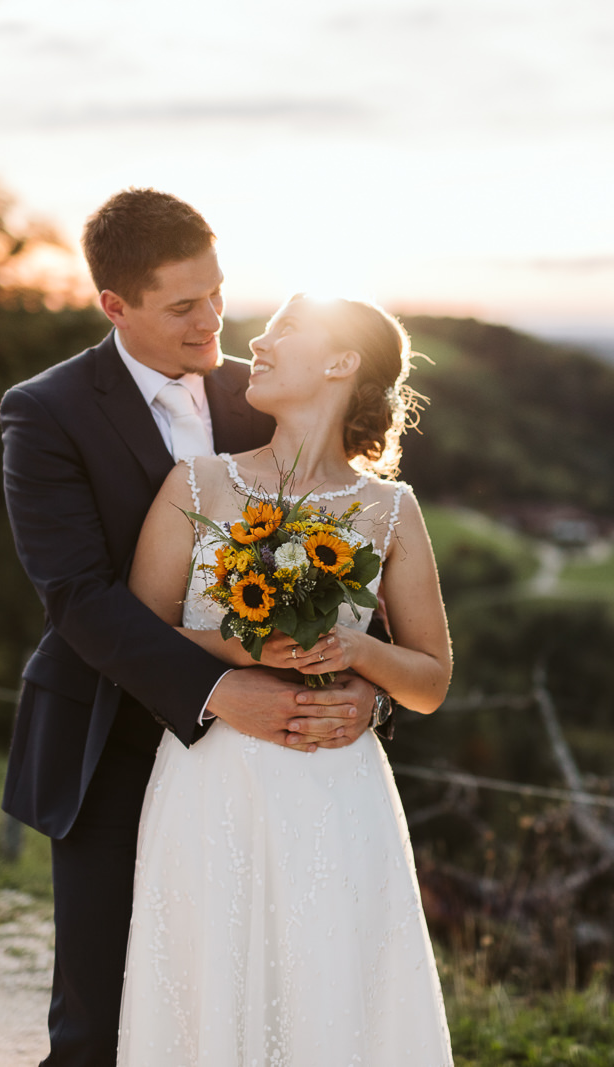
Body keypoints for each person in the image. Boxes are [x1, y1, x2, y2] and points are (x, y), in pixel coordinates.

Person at [0, 189, 385, 1067]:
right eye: (182, 306)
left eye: (216, 292)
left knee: (247, 1009)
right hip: (110, 741)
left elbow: (348, 554)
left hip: (259, 769)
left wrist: (359, 684)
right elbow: (77, 595)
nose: (213, 319)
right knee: (100, 1021)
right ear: (114, 306)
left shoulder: (265, 394)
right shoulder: (46, 411)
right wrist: (218, 690)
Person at [119, 294, 453, 1065]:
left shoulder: (390, 510)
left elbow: (430, 680)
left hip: (336, 790)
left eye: (286, 329)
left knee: (333, 999)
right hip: (213, 781)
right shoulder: (196, 486)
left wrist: (359, 653)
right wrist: (247, 649)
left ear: (342, 363)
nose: (256, 343)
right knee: (210, 990)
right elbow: (137, 639)